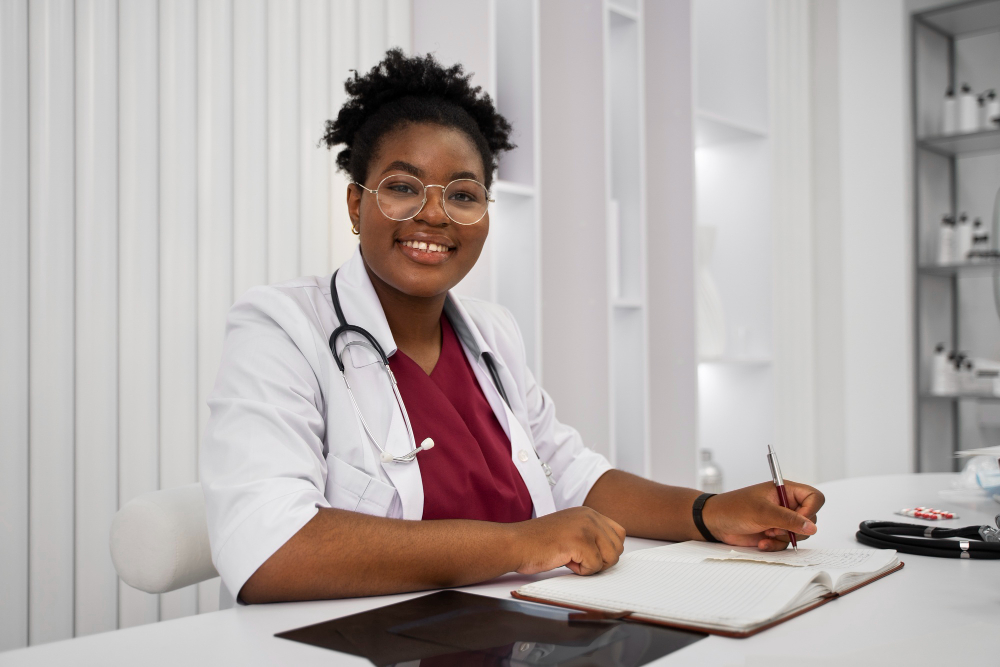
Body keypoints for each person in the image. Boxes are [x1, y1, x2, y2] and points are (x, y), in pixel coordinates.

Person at [201, 49, 825, 605]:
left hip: (512, 630)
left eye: (464, 195)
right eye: (402, 187)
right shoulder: (282, 328)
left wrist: (708, 511)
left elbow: (575, 475)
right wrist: (524, 544)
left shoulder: (493, 335)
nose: (435, 215)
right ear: (356, 204)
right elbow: (271, 549)